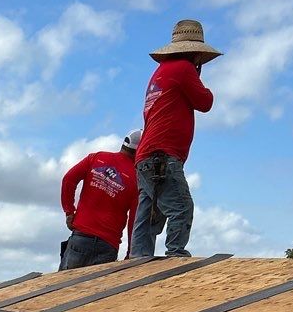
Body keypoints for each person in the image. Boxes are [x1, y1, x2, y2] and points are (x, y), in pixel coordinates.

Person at [129, 18, 220, 262]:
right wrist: (201, 82)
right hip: (163, 155)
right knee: (181, 207)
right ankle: (176, 255)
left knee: (149, 213)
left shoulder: (159, 72)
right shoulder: (183, 68)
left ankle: (139, 258)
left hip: (146, 155)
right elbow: (205, 102)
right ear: (196, 53)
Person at [59, 132, 140, 267]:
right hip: (107, 245)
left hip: (81, 238)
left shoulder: (97, 158)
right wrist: (131, 251)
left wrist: (69, 212)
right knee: (96, 288)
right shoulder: (137, 179)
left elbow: (68, 179)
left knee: (62, 286)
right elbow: (134, 220)